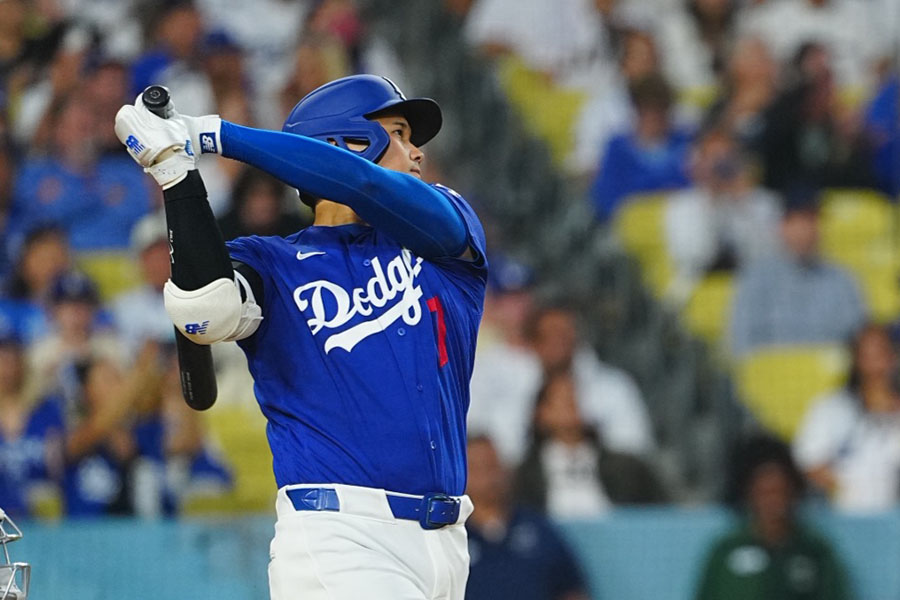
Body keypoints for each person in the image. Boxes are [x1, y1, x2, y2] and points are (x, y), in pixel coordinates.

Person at [114, 74, 487, 599]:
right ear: (344, 143)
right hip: (341, 538)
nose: (417, 154)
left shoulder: (446, 228)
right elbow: (208, 308)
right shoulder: (274, 261)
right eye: (400, 133)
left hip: (448, 542)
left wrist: (214, 134)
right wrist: (177, 173)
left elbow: (366, 185)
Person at [693, 433, 853, 600]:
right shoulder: (725, 550)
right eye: (764, 493)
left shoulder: (815, 552)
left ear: (793, 492)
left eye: (780, 492)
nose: (773, 502)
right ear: (749, 495)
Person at [728, 183, 866, 357]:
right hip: (772, 377)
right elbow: (742, 342)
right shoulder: (756, 276)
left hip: (830, 378)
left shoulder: (841, 278)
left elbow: (857, 340)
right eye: (797, 221)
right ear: (782, 226)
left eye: (812, 220)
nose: (805, 230)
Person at [514, 370, 666, 519]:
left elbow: (664, 514)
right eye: (562, 399)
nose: (572, 402)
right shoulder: (524, 476)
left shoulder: (627, 468)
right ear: (540, 413)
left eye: (575, 396)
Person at [465, 434, 590, 600]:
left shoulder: (538, 528)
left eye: (492, 466)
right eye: (477, 468)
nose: (488, 476)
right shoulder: (452, 536)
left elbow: (571, 589)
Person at [793, 324, 900, 512]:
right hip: (848, 517)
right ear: (855, 358)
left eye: (881, 353)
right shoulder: (832, 408)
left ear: (893, 357)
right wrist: (848, 489)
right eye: (867, 355)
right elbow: (809, 461)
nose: (875, 363)